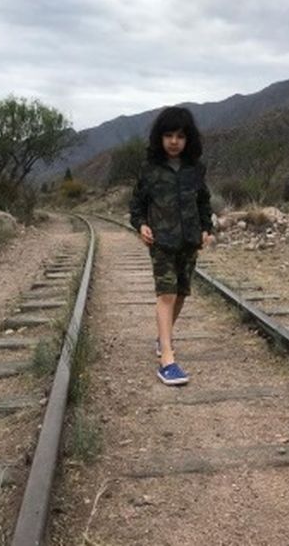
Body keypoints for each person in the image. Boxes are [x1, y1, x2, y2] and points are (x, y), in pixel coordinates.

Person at [128, 106, 214, 386]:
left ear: (188, 139)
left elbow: (203, 202)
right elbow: (137, 205)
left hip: (189, 241)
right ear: (159, 138)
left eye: (179, 135)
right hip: (162, 242)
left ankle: (162, 338)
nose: (174, 141)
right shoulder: (149, 170)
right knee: (166, 294)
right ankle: (167, 358)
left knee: (180, 294)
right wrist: (141, 224)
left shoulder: (196, 170)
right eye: (168, 135)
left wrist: (206, 229)